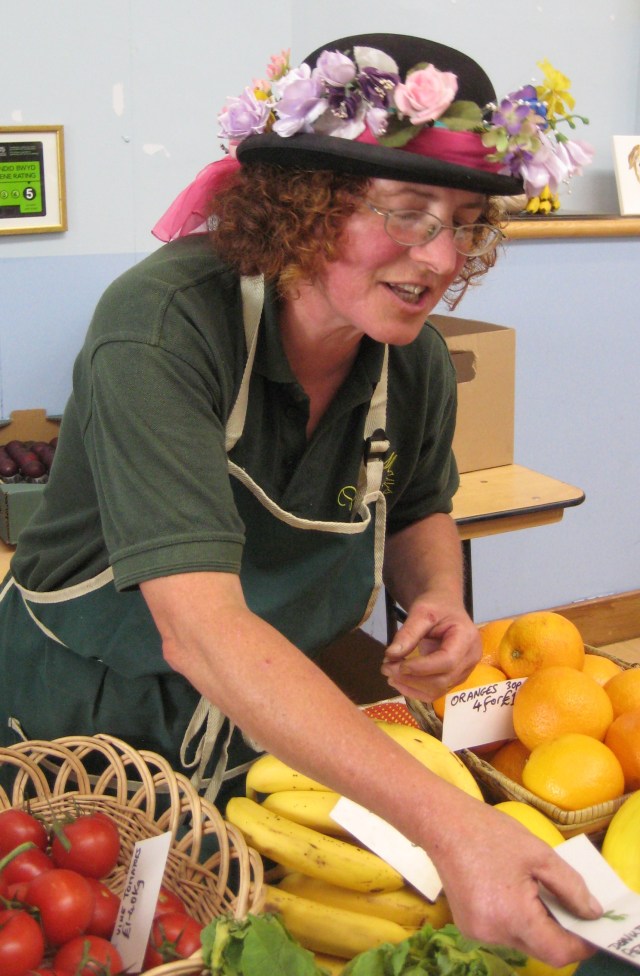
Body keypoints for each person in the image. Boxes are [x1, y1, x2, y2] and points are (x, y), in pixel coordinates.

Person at [0, 33, 597, 965]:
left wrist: (439, 594)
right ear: (308, 207)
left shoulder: (414, 362)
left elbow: (419, 504)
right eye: (408, 214)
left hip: (267, 721)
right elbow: (200, 631)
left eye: (466, 223)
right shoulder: (162, 328)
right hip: (84, 723)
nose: (443, 257)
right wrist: (456, 828)